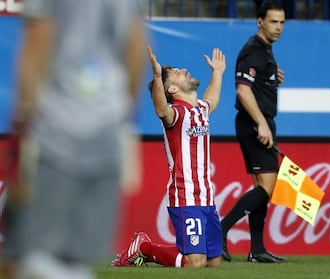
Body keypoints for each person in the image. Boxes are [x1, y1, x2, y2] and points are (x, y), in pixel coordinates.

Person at [0, 0, 147, 278]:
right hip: (106, 134)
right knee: (74, 259)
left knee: (23, 260)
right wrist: (119, 117)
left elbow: (37, 43)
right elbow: (137, 49)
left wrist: (23, 124)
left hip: (54, 133)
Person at [111, 46, 226, 268]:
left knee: (213, 262)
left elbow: (211, 98)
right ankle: (144, 247)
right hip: (186, 196)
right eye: (176, 72)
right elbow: (162, 110)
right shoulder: (176, 114)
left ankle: (148, 249)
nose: (184, 70)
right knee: (195, 262)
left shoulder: (200, 109)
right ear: (172, 88)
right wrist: (156, 77)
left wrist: (218, 74)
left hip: (207, 198)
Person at [220, 1, 288, 263]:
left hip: (258, 123)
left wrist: (272, 76)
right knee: (267, 188)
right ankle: (220, 230)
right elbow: (243, 90)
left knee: (261, 187)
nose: (279, 27)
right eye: (273, 21)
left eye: (282, 22)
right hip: (254, 124)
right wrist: (261, 123)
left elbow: (256, 82)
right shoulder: (253, 50)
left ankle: (257, 250)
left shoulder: (265, 52)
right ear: (260, 21)